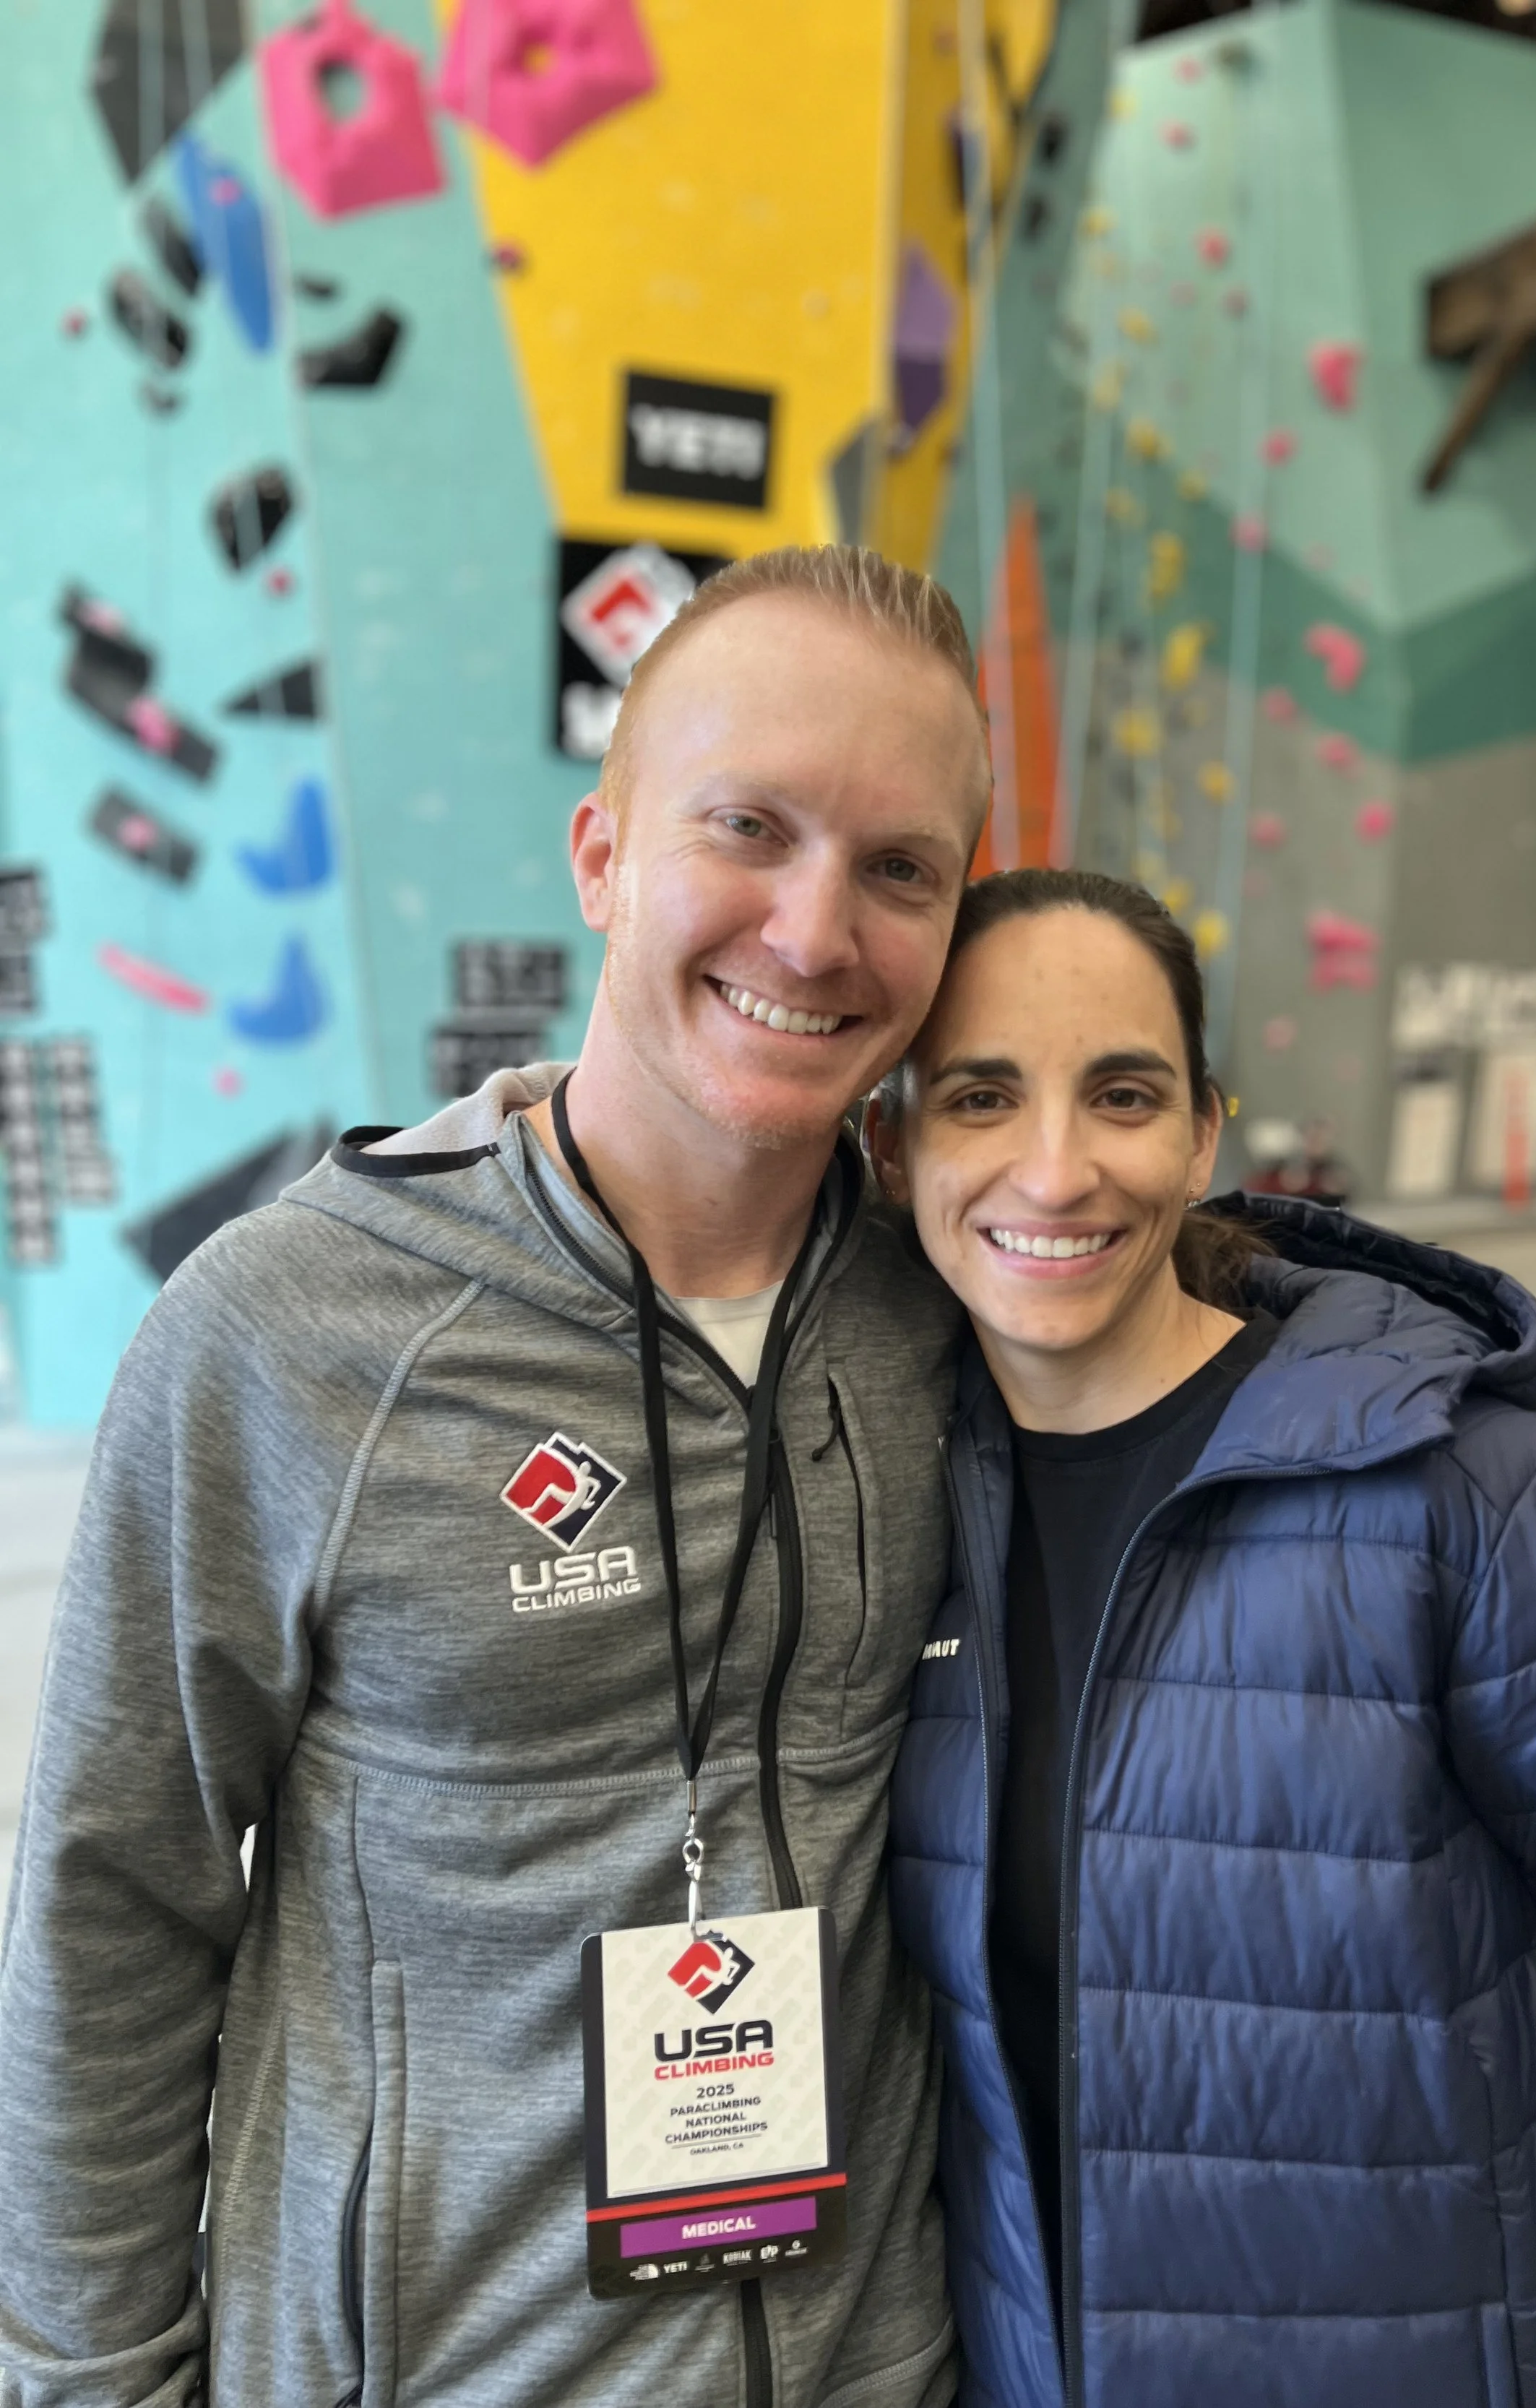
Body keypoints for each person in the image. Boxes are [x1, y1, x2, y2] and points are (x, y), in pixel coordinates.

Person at [0, 548, 993, 2407]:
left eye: (897, 869)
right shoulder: (295, 1328)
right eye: (748, 828)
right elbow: (109, 1900)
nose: (812, 930)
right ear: (602, 857)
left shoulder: (948, 1310)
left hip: (879, 2360)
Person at [873, 868, 1536, 2408]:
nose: (1054, 1167)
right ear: (892, 1145)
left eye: (1122, 1094)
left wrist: (1503, 2237)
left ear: (1202, 1135)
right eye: (981, 1095)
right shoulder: (890, 1523)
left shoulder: (1468, 1499)